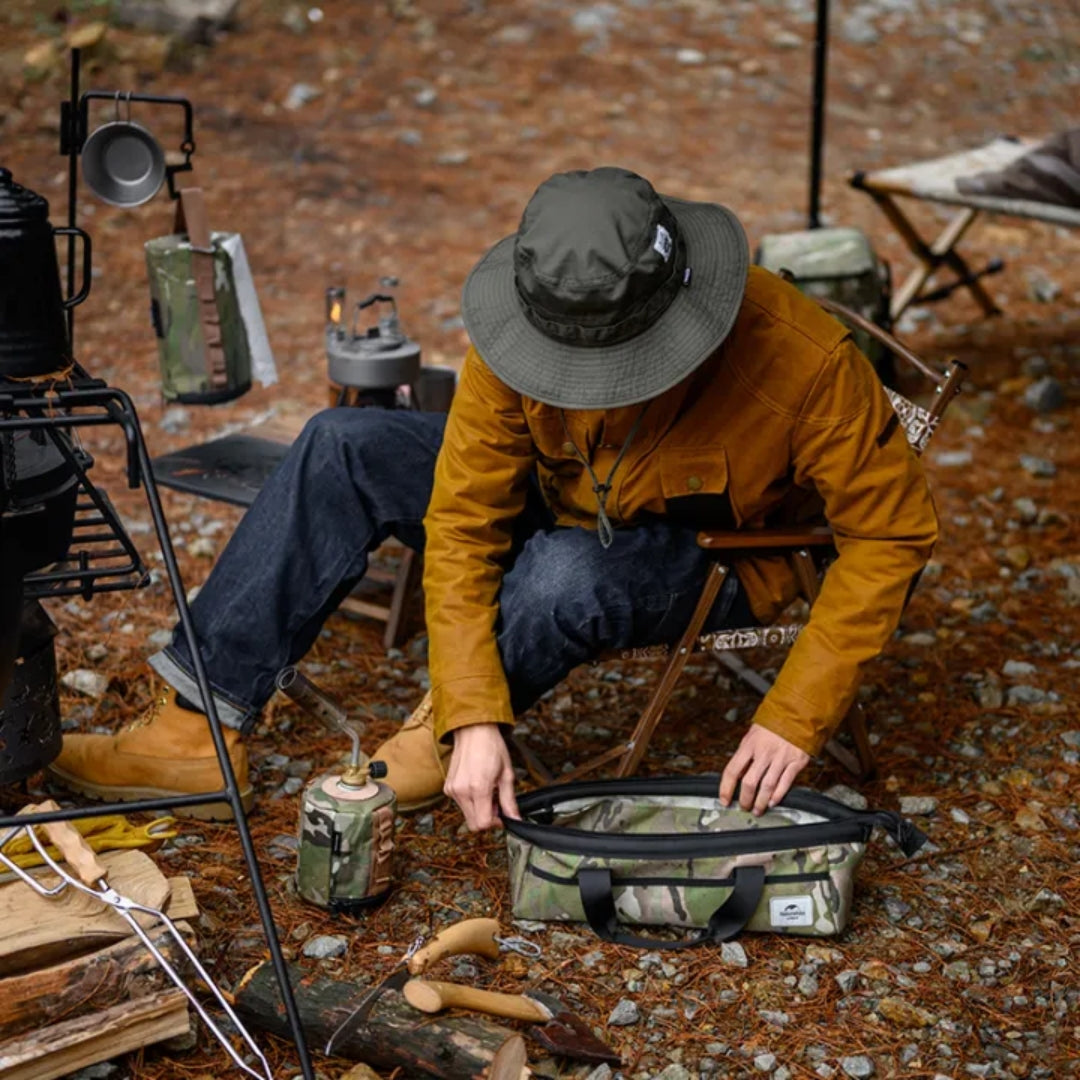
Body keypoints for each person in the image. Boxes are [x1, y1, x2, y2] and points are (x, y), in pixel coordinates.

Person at [49, 167, 937, 828]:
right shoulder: (525, 320)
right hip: (561, 494)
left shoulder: (806, 362)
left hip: (714, 553)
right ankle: (196, 724)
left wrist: (792, 715)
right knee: (342, 444)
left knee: (560, 575)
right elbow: (468, 517)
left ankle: (433, 735)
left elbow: (890, 537)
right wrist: (483, 711)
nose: (589, 385)